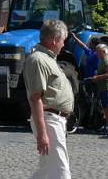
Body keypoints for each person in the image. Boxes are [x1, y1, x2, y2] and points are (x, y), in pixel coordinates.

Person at [23, 19, 74, 179]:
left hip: (55, 119)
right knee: (61, 171)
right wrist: (42, 134)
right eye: (62, 41)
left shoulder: (48, 59)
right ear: (54, 40)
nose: (63, 45)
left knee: (45, 170)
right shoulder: (38, 60)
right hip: (49, 119)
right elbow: (35, 98)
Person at [87, 44, 108, 136]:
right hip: (104, 88)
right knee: (106, 109)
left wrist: (97, 77)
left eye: (98, 51)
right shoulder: (102, 60)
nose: (96, 53)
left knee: (107, 109)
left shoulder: (106, 60)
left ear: (103, 51)